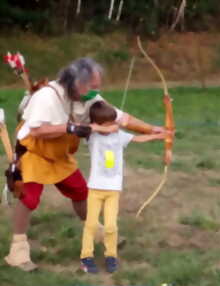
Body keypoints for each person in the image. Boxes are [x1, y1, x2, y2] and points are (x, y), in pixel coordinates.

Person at [5, 57, 166, 271]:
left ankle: (98, 232)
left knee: (80, 192)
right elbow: (37, 130)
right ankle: (17, 251)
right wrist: (77, 129)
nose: (95, 91)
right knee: (29, 197)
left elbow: (121, 118)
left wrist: (150, 129)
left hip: (59, 153)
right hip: (34, 151)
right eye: (92, 86)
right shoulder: (47, 97)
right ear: (75, 82)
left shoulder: (87, 97)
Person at [80, 101, 166, 273]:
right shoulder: (92, 136)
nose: (113, 126)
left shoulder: (118, 135)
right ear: (97, 124)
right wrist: (101, 128)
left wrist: (157, 136)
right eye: (108, 124)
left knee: (111, 226)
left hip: (113, 189)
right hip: (95, 188)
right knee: (91, 224)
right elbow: (83, 129)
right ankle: (86, 257)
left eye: (114, 122)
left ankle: (111, 255)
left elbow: (137, 138)